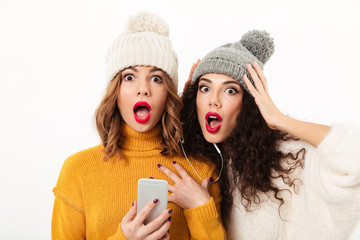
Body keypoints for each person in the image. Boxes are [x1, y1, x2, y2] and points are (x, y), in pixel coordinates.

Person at [51, 12, 225, 240]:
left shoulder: (200, 172)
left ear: (168, 94)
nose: (143, 89)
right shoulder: (77, 171)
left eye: (156, 78)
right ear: (116, 91)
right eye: (129, 77)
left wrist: (201, 207)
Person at [181, 30, 360, 240]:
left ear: (250, 102)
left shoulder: (285, 158)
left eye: (230, 90)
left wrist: (279, 119)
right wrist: (178, 107)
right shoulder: (197, 159)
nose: (213, 101)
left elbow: (353, 157)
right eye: (204, 88)